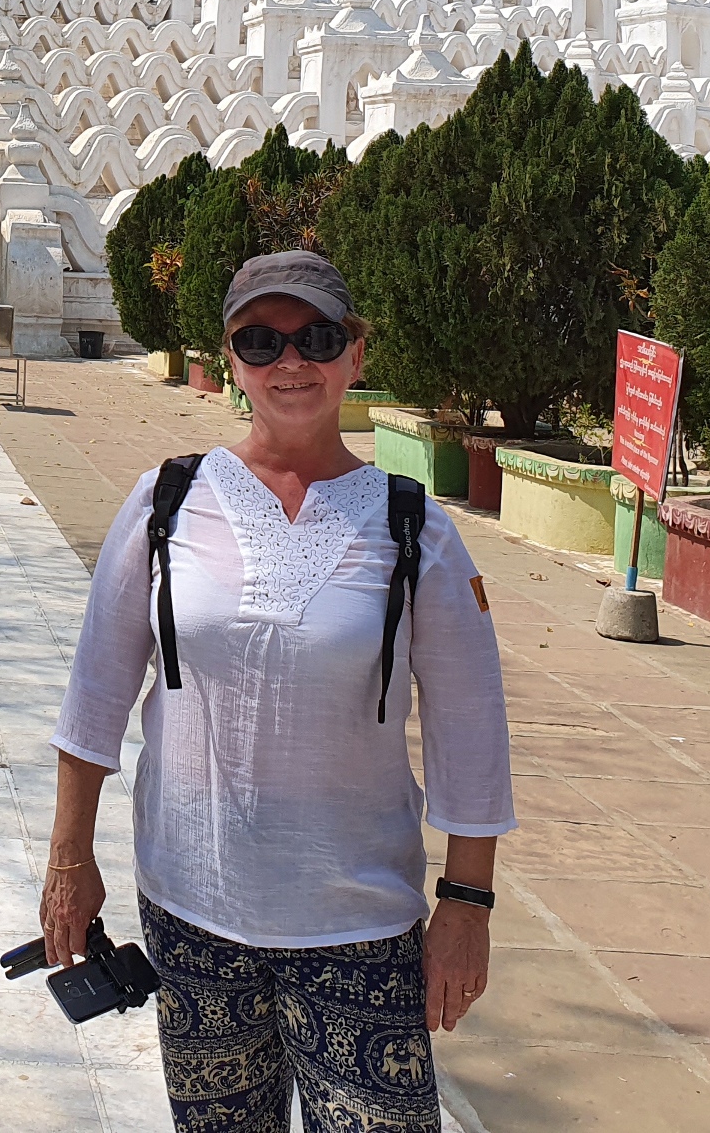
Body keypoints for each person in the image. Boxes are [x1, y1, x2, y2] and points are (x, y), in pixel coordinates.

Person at [45, 250, 514, 1133]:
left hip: (357, 922)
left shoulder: (414, 527)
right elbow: (95, 697)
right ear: (230, 359)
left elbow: (471, 734)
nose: (289, 362)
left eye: (316, 338)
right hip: (191, 909)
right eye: (259, 341)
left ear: (355, 356)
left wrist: (466, 904)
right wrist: (70, 862)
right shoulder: (168, 502)